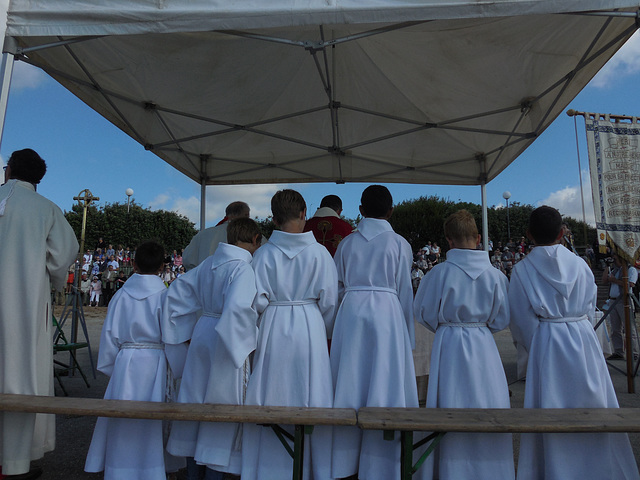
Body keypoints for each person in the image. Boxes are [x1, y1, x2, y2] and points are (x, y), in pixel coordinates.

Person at [509, 206, 639, 480]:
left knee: (551, 408)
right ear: (561, 233)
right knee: (593, 403)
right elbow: (590, 304)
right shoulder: (580, 264)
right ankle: (599, 468)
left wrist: (542, 344)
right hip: (583, 339)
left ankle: (556, 469)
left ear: (529, 234)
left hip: (547, 341)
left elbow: (520, 319)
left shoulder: (522, 270)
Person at [242, 189, 338, 480]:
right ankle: (312, 468)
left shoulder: (263, 254)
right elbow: (330, 302)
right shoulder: (320, 253)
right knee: (311, 395)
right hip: (310, 325)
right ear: (303, 214)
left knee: (273, 392)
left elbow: (255, 302)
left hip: (273, 323)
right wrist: (317, 324)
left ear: (273, 218)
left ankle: (270, 468)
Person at [414, 210, 514, 480]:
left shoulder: (438, 274)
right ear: (479, 238)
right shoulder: (495, 276)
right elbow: (503, 317)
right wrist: (480, 327)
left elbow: (422, 311)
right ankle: (492, 469)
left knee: (450, 400)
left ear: (448, 240)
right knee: (487, 400)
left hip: (449, 343)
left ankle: (450, 468)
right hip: (483, 343)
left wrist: (447, 326)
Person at [0, 149, 78, 479]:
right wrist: (49, 278)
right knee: (18, 373)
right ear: (39, 178)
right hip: (22, 305)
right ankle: (14, 463)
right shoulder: (45, 208)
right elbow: (64, 255)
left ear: (8, 171)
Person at [162, 218, 261, 480]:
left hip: (203, 331)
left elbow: (176, 292)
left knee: (196, 399)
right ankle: (215, 471)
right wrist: (247, 345)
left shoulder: (208, 263)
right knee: (222, 404)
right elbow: (238, 310)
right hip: (226, 340)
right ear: (255, 240)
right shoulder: (243, 268)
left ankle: (194, 471)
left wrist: (182, 334)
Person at [330, 185, 417, 480]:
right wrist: (407, 336)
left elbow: (338, 287)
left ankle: (344, 462)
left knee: (350, 381)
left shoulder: (347, 244)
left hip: (351, 313)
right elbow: (405, 290)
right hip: (388, 313)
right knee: (385, 381)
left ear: (361, 211)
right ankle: (382, 463)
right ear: (391, 211)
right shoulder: (399, 244)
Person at [85, 241, 186, 480]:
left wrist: (116, 368)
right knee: (153, 421)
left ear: (133, 264)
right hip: (157, 363)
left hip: (126, 363)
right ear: (163, 266)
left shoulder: (120, 296)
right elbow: (173, 339)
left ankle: (120, 469)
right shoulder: (166, 296)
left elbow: (109, 337)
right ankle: (155, 469)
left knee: (123, 419)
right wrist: (176, 368)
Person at [182, 201, 250, 270]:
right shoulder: (249, 235)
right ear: (246, 215)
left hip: (204, 278)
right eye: (247, 215)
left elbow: (187, 260)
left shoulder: (202, 234)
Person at [603, 252, 638, 360]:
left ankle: (634, 352)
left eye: (616, 259)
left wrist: (614, 280)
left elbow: (630, 284)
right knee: (615, 329)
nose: (614, 261)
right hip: (613, 301)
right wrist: (607, 267)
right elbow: (604, 281)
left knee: (629, 328)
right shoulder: (614, 270)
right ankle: (618, 351)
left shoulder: (630, 269)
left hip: (624, 300)